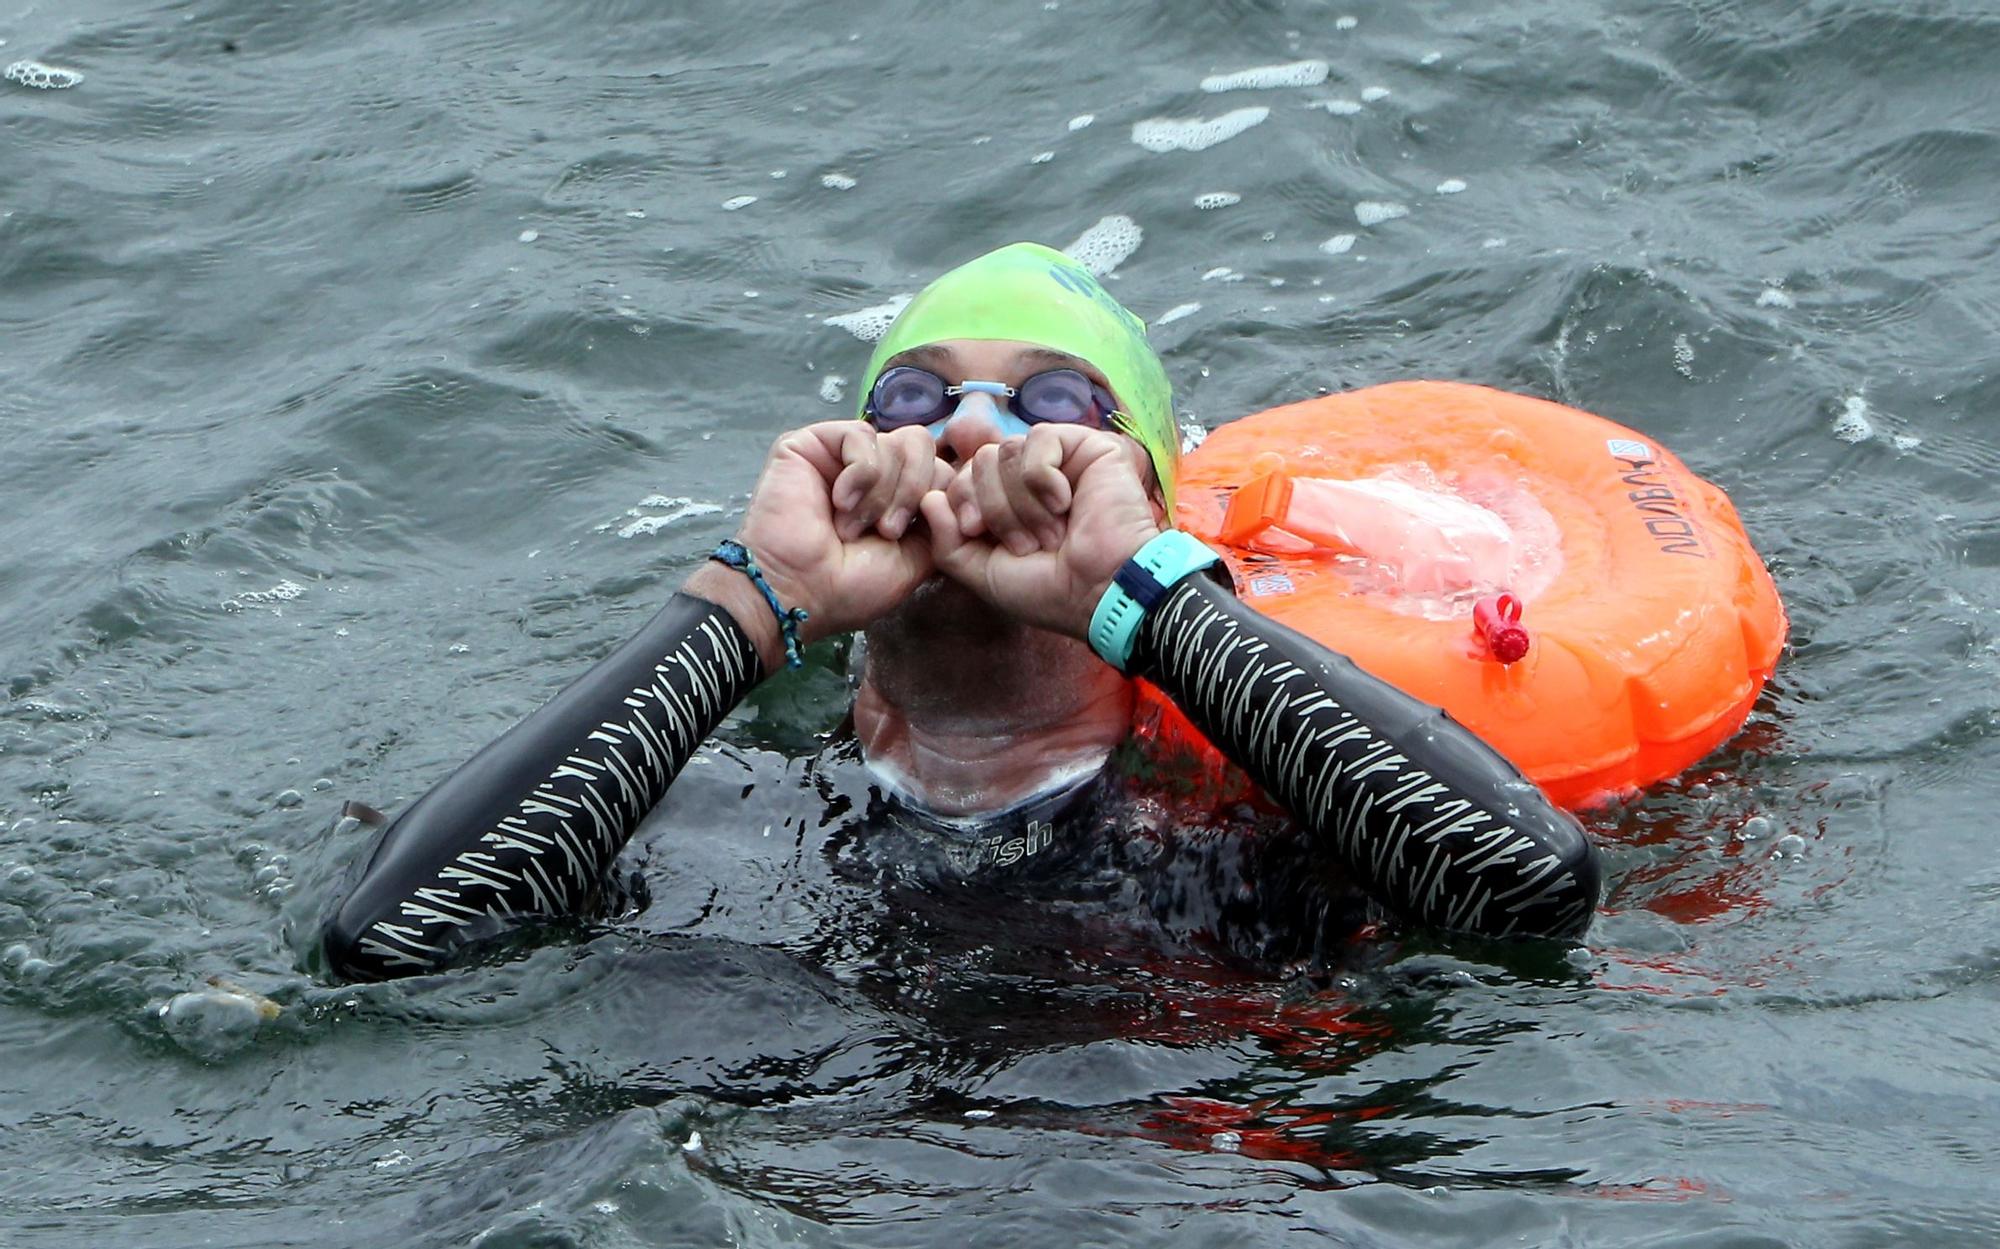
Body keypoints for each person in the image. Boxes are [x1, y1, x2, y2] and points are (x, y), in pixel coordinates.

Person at [321, 243, 1600, 982]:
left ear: (1143, 494)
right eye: (910, 400)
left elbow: (1530, 894)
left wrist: (1140, 595)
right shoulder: (686, 818)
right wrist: (750, 605)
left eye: (1052, 403)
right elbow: (387, 947)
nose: (969, 431)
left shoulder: (1257, 866)